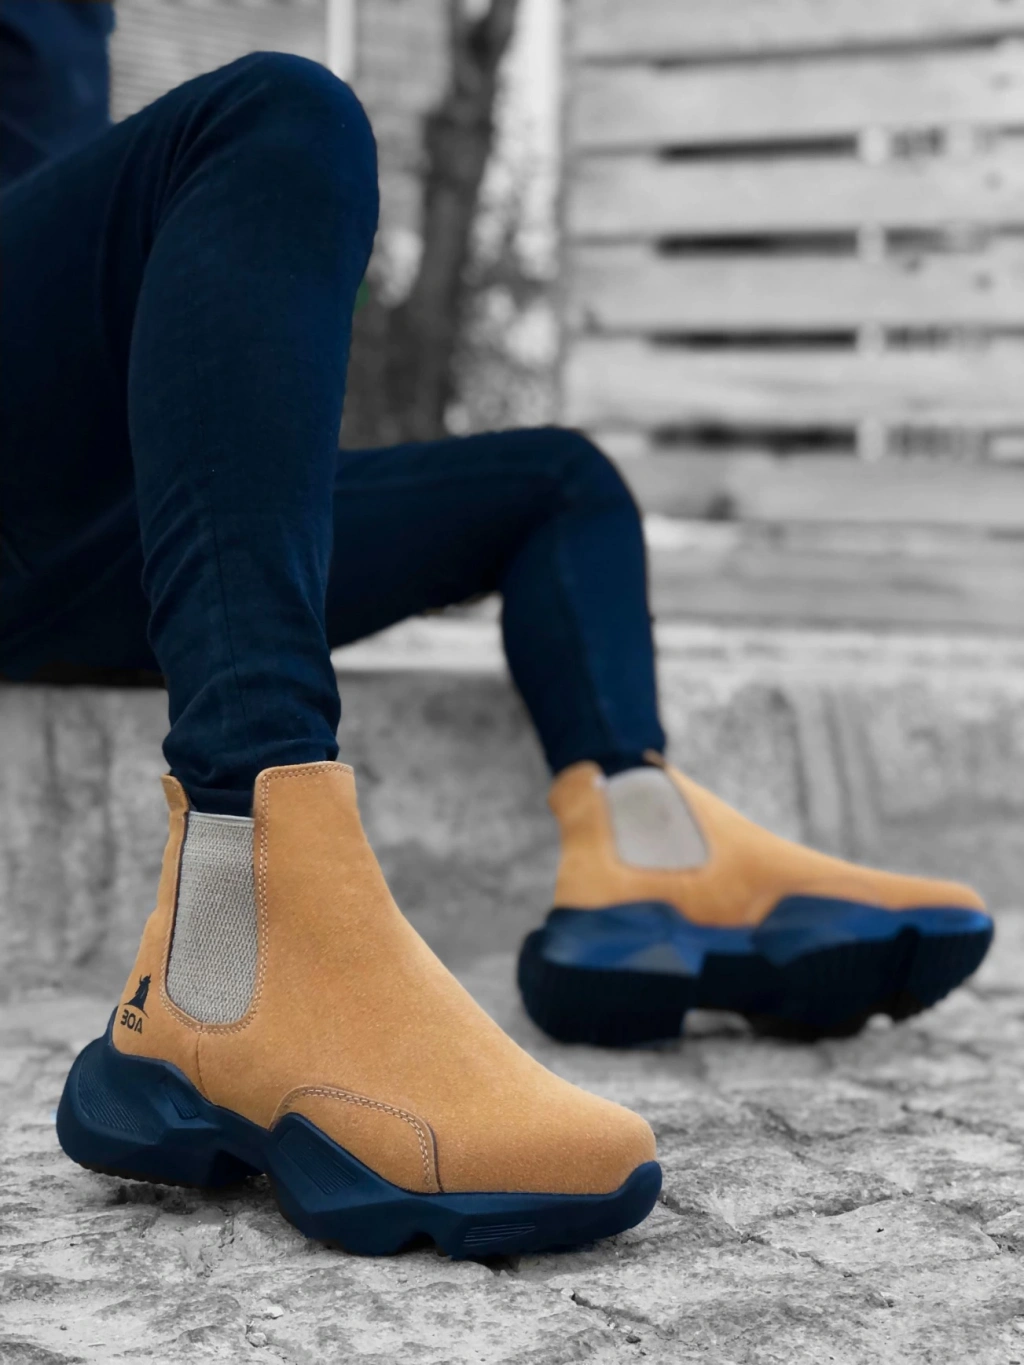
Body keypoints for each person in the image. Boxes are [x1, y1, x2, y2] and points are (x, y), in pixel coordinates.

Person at [0, 2, 991, 1255]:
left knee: (558, 482)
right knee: (276, 116)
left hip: (104, 514)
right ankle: (245, 926)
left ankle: (638, 851)